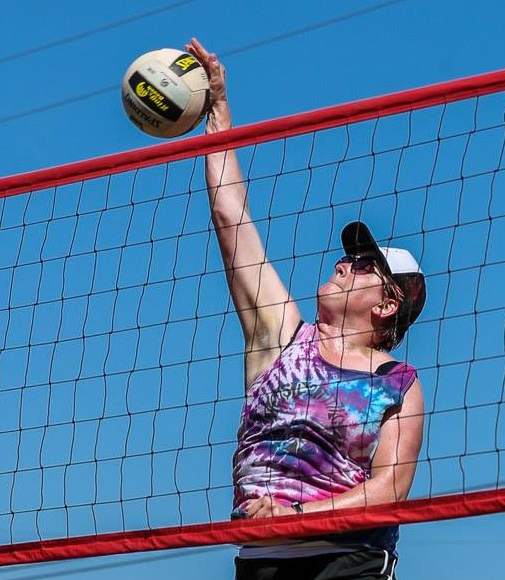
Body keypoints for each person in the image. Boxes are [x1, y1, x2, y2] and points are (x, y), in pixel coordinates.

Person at [186, 38, 426, 580]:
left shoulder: (398, 381)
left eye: (365, 264)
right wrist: (218, 111)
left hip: (348, 561)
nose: (347, 262)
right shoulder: (280, 335)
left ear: (388, 304)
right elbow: (231, 217)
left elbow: (389, 490)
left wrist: (293, 516)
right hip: (260, 561)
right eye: (348, 254)